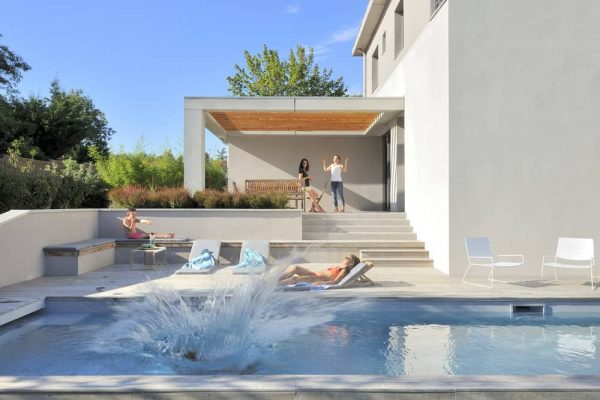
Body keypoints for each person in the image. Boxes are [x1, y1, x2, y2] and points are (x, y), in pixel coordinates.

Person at [278, 254, 360, 286]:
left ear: (350, 263)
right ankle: (274, 281)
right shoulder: (339, 266)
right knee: (295, 268)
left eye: (347, 258)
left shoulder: (344, 269)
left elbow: (336, 281)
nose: (345, 257)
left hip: (317, 278)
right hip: (313, 274)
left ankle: (276, 285)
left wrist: (321, 283)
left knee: (295, 279)